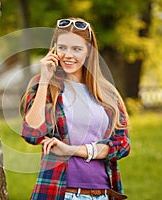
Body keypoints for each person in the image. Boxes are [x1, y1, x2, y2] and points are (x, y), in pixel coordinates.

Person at [20, 17, 130, 200]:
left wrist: (70, 150)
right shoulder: (45, 86)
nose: (68, 55)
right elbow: (32, 132)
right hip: (62, 193)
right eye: (62, 47)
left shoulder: (107, 93)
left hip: (103, 194)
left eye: (76, 49)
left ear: (89, 51)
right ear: (54, 48)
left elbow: (122, 145)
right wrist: (45, 79)